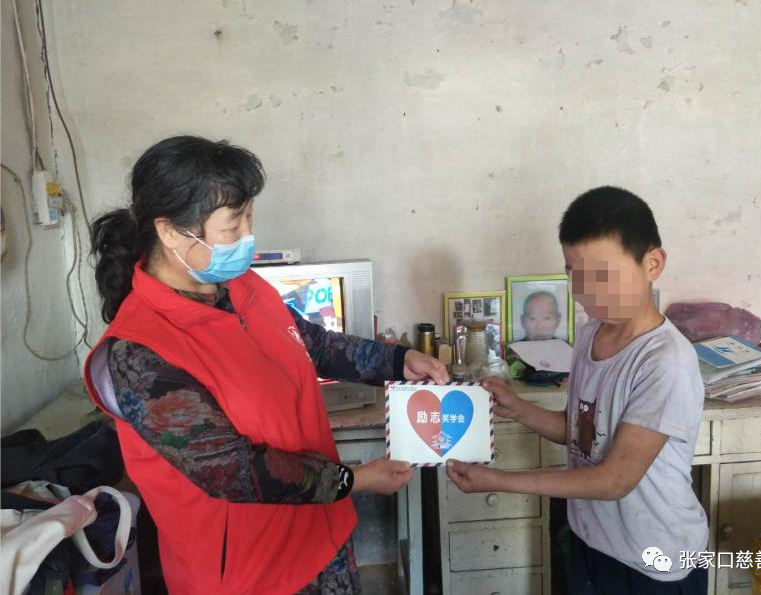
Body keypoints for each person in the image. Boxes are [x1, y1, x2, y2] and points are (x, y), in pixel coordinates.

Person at [83, 135, 449, 595]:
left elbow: (313, 344)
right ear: (170, 231)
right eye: (232, 225)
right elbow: (233, 471)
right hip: (250, 575)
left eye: (250, 218)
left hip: (321, 539)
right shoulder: (139, 352)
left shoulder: (243, 287)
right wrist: (353, 480)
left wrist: (398, 360)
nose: (247, 237)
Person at [447, 186, 708, 594]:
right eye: (575, 274)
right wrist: (518, 408)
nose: (587, 290)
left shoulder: (665, 362)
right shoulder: (589, 335)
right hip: (593, 542)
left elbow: (614, 480)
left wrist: (499, 480)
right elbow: (581, 431)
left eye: (603, 275)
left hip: (654, 561)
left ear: (652, 263)